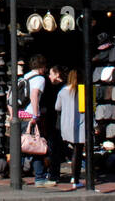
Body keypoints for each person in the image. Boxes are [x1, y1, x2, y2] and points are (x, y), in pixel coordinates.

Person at [20, 55, 55, 186]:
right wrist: (35, 115)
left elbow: (10, 95)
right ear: (42, 67)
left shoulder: (25, 76)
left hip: (20, 115)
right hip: (31, 115)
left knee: (23, 145)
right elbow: (34, 94)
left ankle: (18, 175)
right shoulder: (39, 78)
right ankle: (39, 177)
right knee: (37, 145)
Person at [52, 66, 85, 189]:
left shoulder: (63, 91)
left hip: (66, 125)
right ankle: (75, 179)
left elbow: (57, 107)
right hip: (80, 125)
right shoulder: (82, 91)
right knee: (78, 151)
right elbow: (87, 110)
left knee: (67, 149)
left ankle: (65, 175)